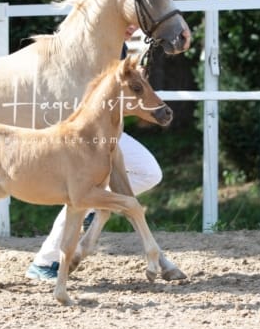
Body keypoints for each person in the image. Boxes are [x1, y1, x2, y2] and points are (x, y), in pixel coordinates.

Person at [26, 26, 164, 281]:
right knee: (101, 188)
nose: (133, 26)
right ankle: (48, 259)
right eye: (129, 20)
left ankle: (96, 211)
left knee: (148, 172)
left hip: (107, 131)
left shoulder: (125, 45)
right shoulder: (87, 39)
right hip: (79, 132)